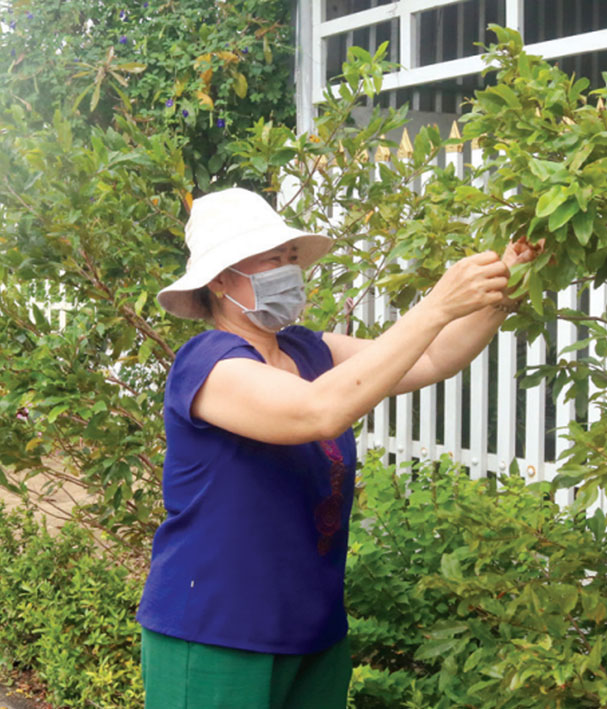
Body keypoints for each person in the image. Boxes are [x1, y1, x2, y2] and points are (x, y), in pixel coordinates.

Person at [137, 187, 536, 709]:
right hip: (216, 631)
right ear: (219, 278)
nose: (287, 269)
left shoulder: (309, 350)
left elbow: (433, 357)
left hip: (311, 629)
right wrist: (437, 303)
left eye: (289, 258)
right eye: (270, 259)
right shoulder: (209, 363)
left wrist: (506, 282)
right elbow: (317, 411)